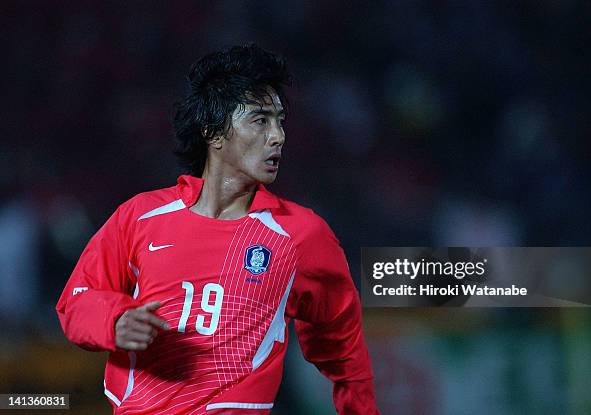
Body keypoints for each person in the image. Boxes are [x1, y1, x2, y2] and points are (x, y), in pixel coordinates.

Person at [56, 44, 379, 415]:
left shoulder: (302, 235)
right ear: (213, 132)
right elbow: (76, 301)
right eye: (261, 121)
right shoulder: (141, 217)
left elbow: (345, 349)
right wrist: (115, 319)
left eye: (280, 121)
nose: (278, 136)